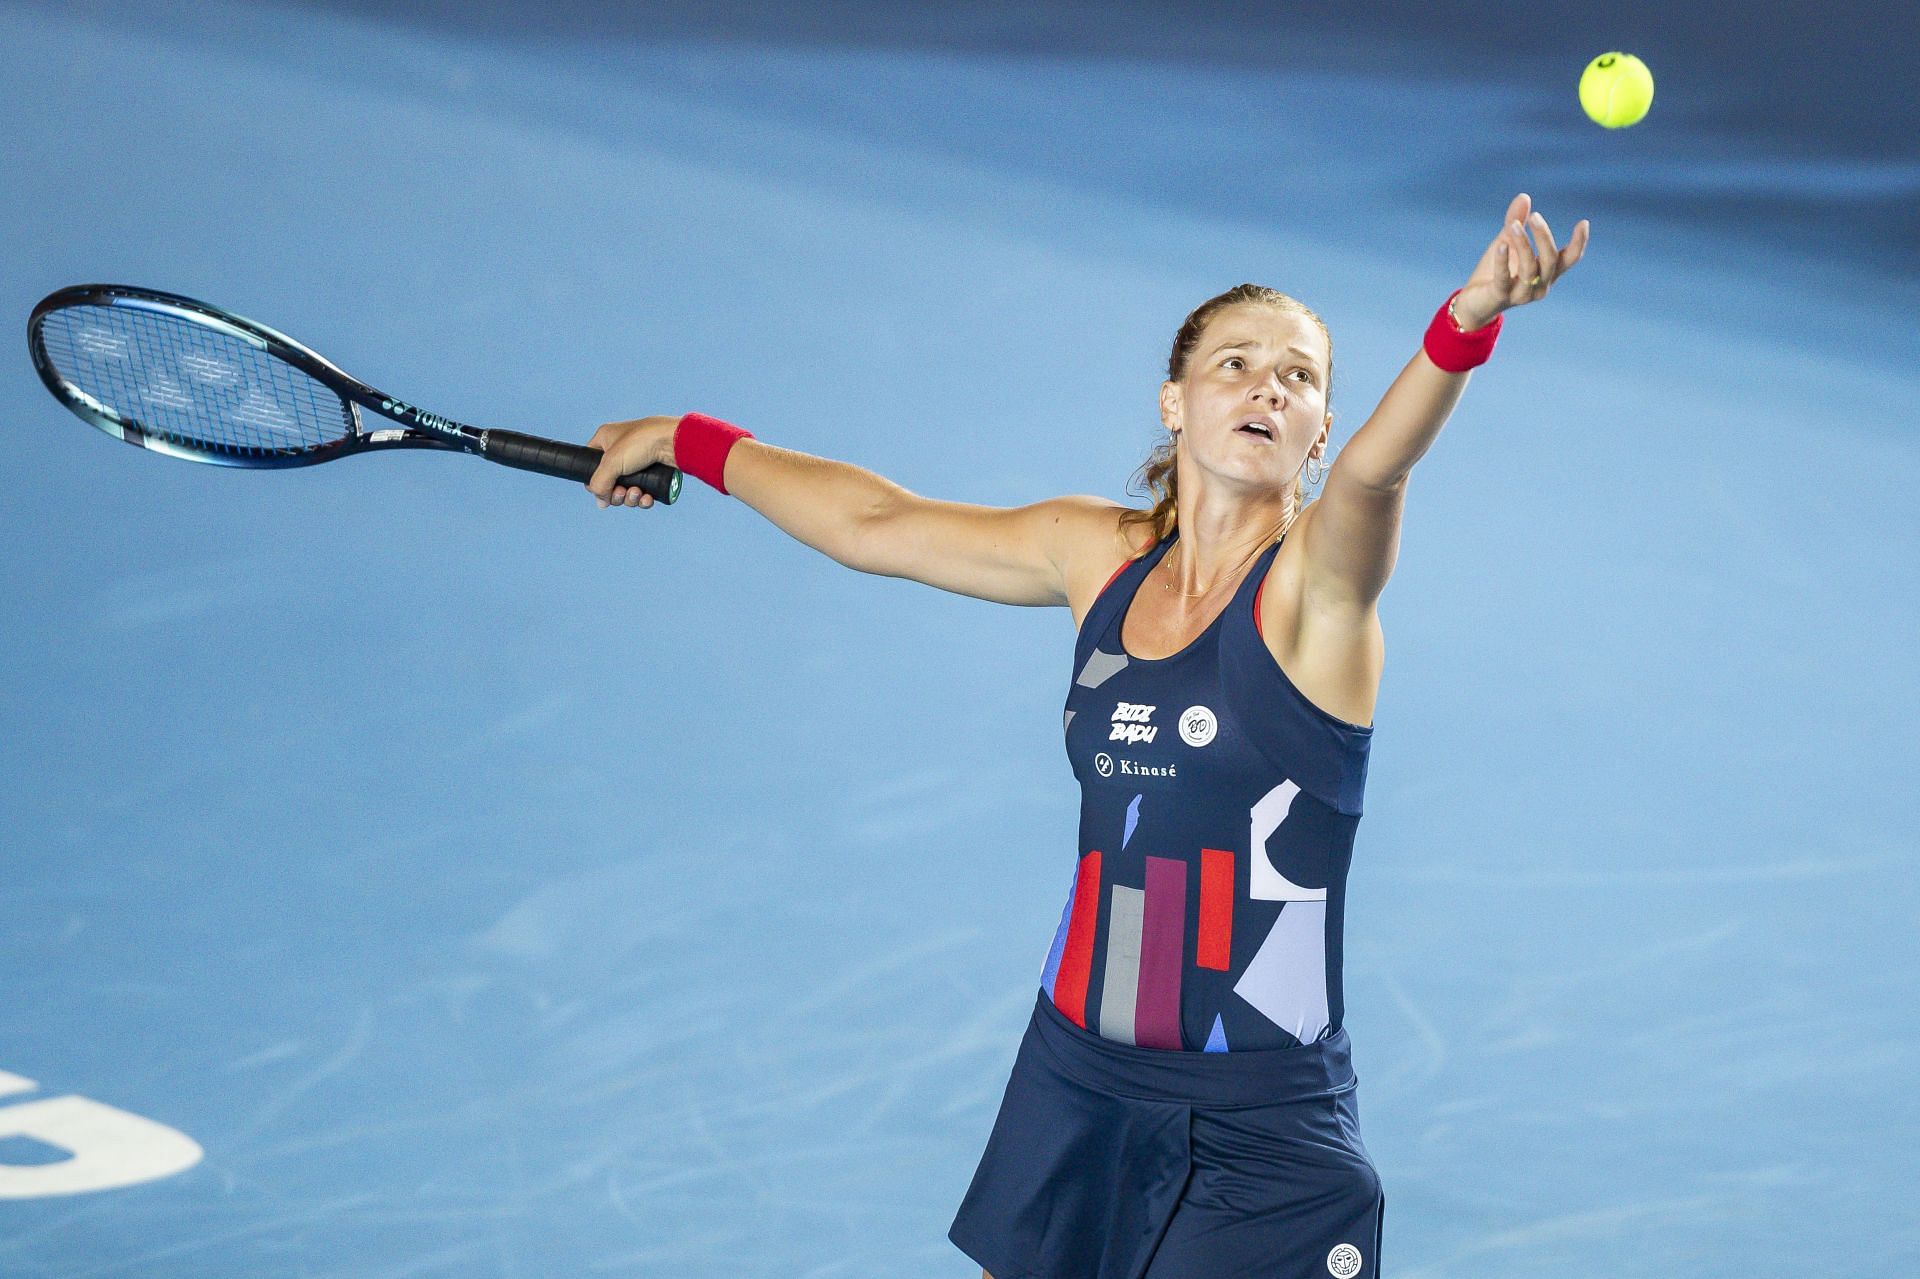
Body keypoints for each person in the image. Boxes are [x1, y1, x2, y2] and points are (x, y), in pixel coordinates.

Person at [584, 192, 1589, 1278]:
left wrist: (1468, 319)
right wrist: (691, 440)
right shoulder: (1094, 555)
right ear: (1175, 401)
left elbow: (1377, 476)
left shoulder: (1316, 596)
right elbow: (875, 524)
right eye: (1236, 364)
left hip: (1256, 1128)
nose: (1268, 386)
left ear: (1319, 429)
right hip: (1075, 1087)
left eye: (1299, 376)